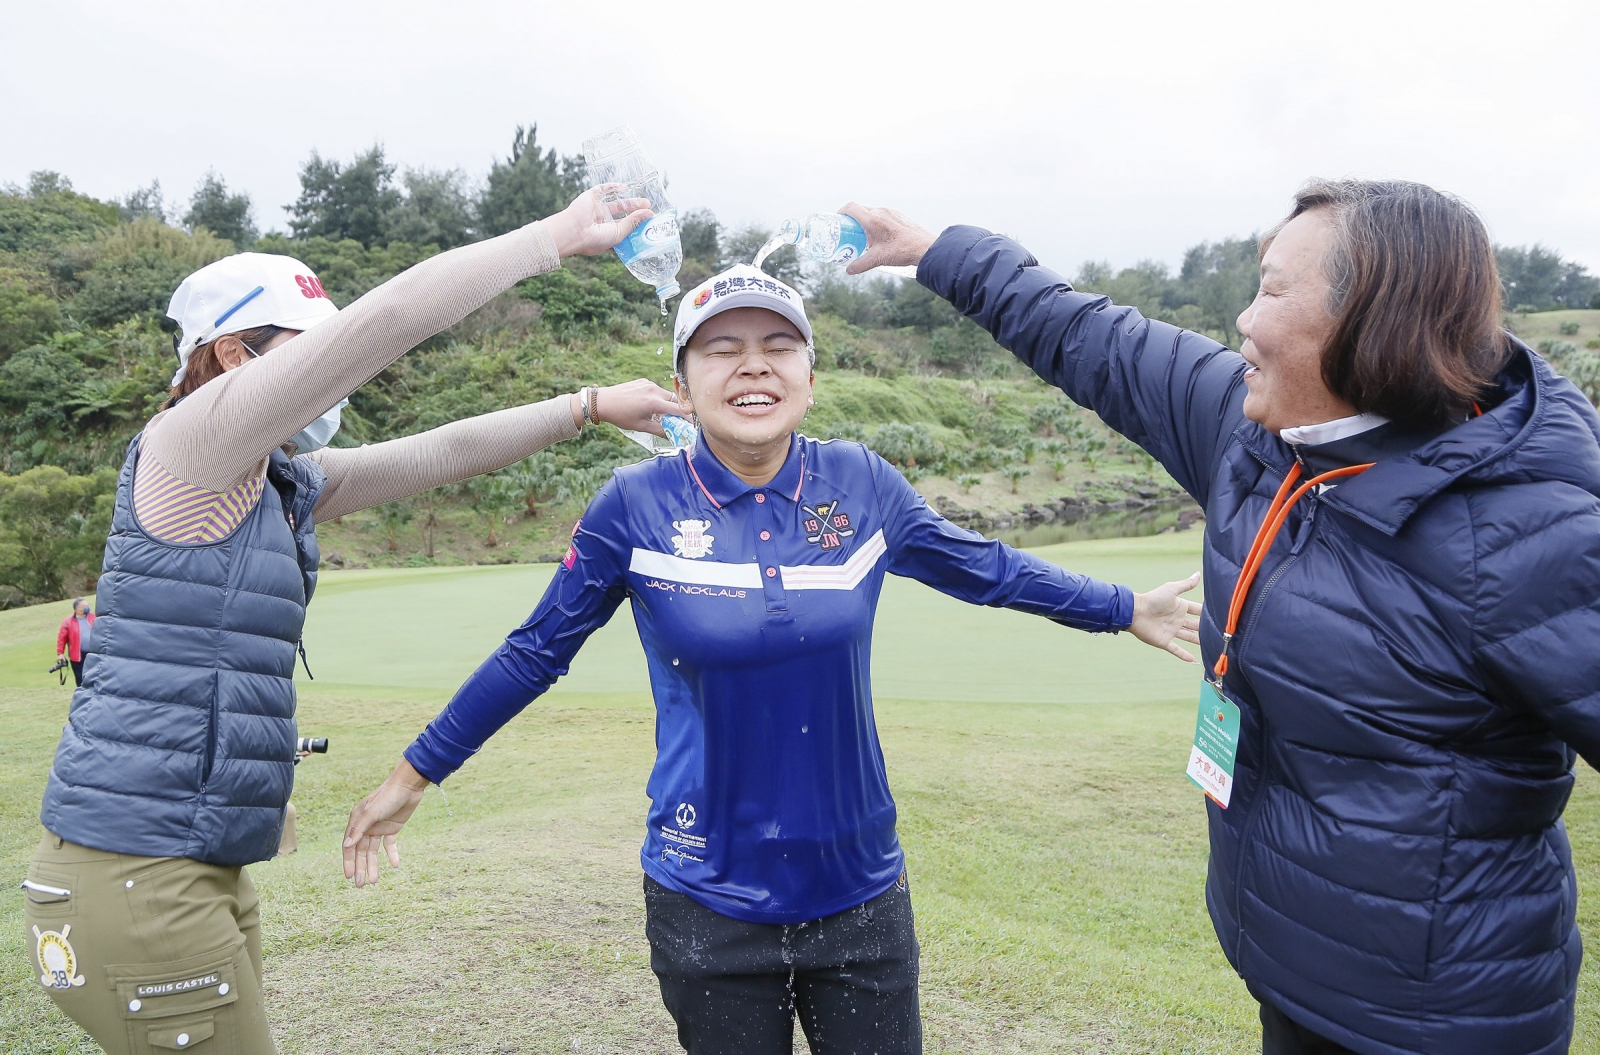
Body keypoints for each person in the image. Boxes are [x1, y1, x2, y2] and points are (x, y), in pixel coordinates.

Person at [341, 263, 1204, 1055]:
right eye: (723, 349)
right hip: (703, 897)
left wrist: (1123, 608)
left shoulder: (862, 484)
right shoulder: (633, 506)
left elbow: (986, 569)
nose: (753, 367)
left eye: (778, 346)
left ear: (810, 377)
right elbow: (534, 653)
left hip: (861, 891)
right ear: (681, 385)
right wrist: (416, 771)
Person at [843, 181, 1600, 1055]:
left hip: (1434, 1020)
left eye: (1274, 290)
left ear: (1373, 316)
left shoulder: (1532, 534)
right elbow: (1093, 337)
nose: (1242, 318)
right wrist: (935, 250)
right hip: (1287, 970)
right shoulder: (1256, 434)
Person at [20, 185, 682, 1055]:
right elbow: (392, 317)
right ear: (228, 356)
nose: (324, 371)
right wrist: (555, 237)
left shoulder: (274, 479)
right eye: (305, 349)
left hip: (192, 868)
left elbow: (440, 452)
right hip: (140, 875)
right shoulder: (192, 445)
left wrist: (585, 405)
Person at [54, 597, 95, 687]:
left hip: (93, 653)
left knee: (94, 677)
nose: (87, 607)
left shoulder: (93, 617)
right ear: (77, 609)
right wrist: (60, 653)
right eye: (85, 606)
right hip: (78, 656)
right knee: (81, 680)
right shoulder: (68, 622)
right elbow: (62, 638)